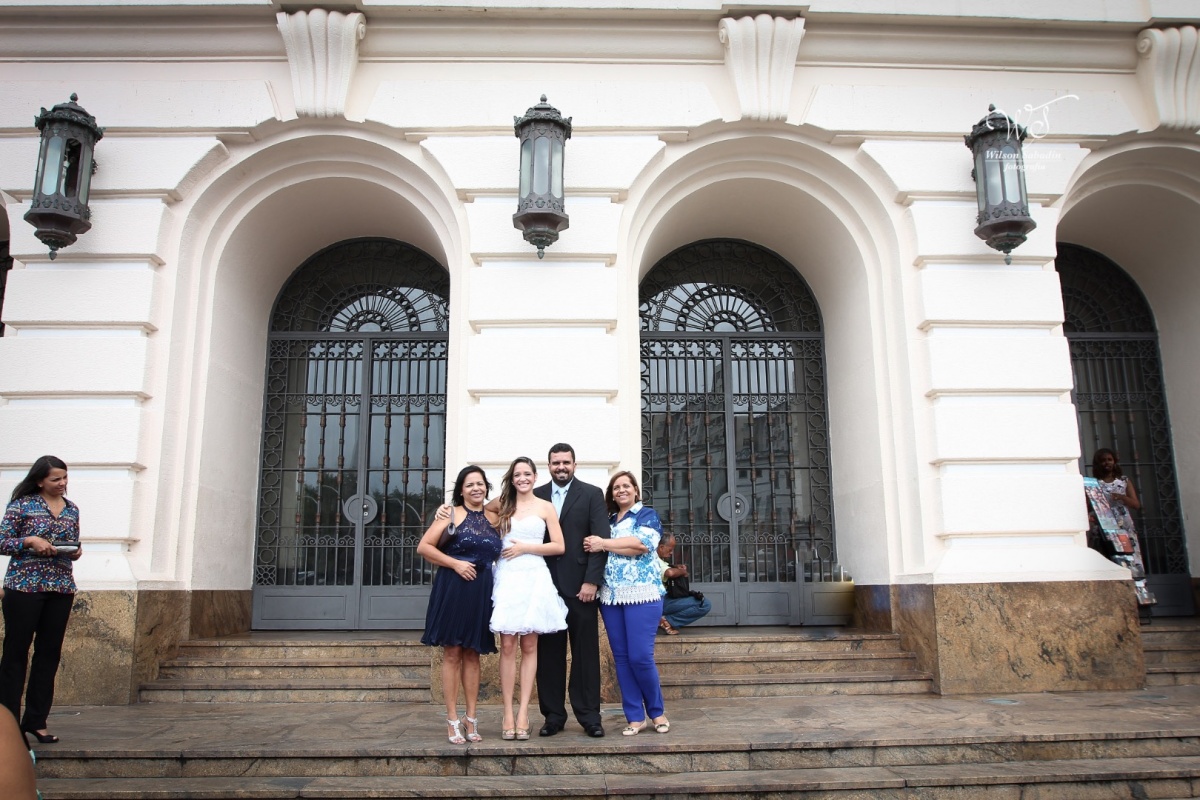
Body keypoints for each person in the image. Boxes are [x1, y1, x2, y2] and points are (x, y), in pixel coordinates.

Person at [417, 465, 504, 745]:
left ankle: (471, 717)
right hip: (454, 587)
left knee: (473, 654)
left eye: (480, 484)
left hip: (481, 590)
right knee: (453, 652)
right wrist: (455, 563)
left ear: (487, 487)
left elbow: (522, 490)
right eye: (469, 485)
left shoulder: (495, 516)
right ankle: (452, 719)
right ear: (461, 490)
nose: (476, 488)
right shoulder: (451, 513)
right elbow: (425, 547)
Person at [0, 456, 83, 745]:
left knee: (49, 655)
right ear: (39, 481)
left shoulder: (72, 510)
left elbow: (73, 542)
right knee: (15, 655)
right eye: (55, 479)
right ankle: (8, 726)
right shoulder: (22, 506)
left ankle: (36, 721)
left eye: (64, 478)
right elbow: (2, 541)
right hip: (24, 587)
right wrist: (29, 541)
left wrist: (75, 551)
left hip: (60, 588)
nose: (62, 484)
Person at [532, 444, 610, 738]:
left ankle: (590, 716)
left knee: (585, 654)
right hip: (546, 587)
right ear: (548, 465)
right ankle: (553, 715)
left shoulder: (591, 494)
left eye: (566, 462)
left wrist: (592, 581)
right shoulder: (535, 495)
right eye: (556, 463)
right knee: (548, 654)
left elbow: (600, 539)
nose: (561, 467)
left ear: (575, 464)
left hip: (581, 588)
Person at [583, 471, 669, 736]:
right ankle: (634, 716)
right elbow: (609, 547)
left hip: (643, 594)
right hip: (611, 596)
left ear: (635, 490)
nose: (621, 490)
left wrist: (604, 544)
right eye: (616, 487)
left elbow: (641, 545)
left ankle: (656, 712)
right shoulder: (607, 519)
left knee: (641, 657)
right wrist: (605, 545)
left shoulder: (646, 515)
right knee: (621, 658)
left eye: (626, 486)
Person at [489, 457, 567, 741]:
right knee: (508, 644)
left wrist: (526, 548)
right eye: (517, 474)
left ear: (535, 477)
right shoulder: (501, 504)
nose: (522, 478)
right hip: (508, 578)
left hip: (534, 576)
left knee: (530, 644)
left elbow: (559, 546)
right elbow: (474, 513)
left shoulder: (545, 506)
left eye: (527, 474)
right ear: (512, 478)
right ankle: (507, 712)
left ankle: (524, 713)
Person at [655, 532, 711, 634]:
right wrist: (682, 572)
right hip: (660, 602)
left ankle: (667, 621)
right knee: (704, 604)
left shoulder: (657, 560)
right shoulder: (654, 560)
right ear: (661, 547)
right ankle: (668, 621)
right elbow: (669, 573)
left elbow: (667, 568)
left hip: (661, 600)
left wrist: (675, 567)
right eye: (670, 549)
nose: (671, 552)